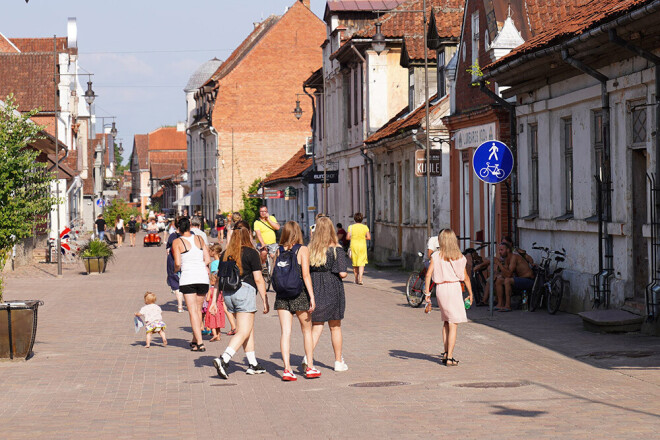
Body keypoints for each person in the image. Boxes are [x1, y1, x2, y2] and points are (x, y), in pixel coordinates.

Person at [212, 226, 269, 379]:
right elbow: (258, 278)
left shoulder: (225, 254)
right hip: (245, 292)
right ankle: (224, 359)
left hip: (229, 294)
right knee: (243, 331)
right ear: (247, 237)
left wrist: (213, 301)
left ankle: (253, 364)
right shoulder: (252, 253)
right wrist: (264, 299)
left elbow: (218, 280)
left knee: (247, 329)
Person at [274, 221, 319, 381]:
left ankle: (286, 369)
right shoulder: (303, 249)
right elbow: (306, 274)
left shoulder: (279, 250)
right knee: (306, 330)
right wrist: (312, 296)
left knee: (285, 332)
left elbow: (276, 273)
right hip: (299, 293)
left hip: (282, 295)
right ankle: (310, 367)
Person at [423, 229, 473, 367]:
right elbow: (465, 277)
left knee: (446, 321)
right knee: (453, 323)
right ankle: (450, 357)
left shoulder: (436, 256)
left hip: (441, 289)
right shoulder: (459, 257)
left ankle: (445, 353)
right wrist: (470, 293)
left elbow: (428, 275)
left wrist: (427, 294)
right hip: (454, 288)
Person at [306, 216, 349, 372]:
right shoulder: (336, 249)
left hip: (315, 287)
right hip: (333, 287)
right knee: (335, 327)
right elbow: (343, 273)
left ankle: (307, 357)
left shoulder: (310, 249)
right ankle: (338, 361)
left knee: (316, 326)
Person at [172, 217, 211, 352]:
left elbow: (177, 263)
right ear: (189, 226)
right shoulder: (200, 239)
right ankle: (195, 339)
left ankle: (200, 342)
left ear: (178, 228)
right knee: (199, 310)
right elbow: (207, 259)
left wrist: (175, 271)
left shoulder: (177, 242)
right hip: (202, 277)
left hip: (188, 278)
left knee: (192, 311)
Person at [494, 241, 535, 312]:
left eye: (501, 250)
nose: (500, 252)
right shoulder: (507, 259)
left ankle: (508, 306)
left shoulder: (514, 257)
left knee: (507, 280)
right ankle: (500, 304)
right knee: (499, 280)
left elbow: (509, 275)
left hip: (528, 280)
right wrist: (499, 275)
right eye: (499, 250)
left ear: (508, 250)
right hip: (519, 279)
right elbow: (505, 273)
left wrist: (499, 264)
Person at [205, 244, 234, 341]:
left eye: (210, 251)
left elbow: (214, 276)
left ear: (213, 252)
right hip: (224, 285)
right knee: (225, 308)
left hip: (217, 287)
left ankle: (213, 327)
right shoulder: (222, 261)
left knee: (220, 308)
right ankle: (233, 325)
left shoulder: (214, 263)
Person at [166, 217, 185, 313]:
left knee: (176, 284)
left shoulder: (172, 236)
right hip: (186, 262)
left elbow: (167, 250)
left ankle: (180, 306)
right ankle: (188, 305)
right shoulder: (191, 235)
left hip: (173, 262)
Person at [346, 212, 370, 285]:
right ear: (362, 219)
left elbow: (347, 237)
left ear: (354, 219)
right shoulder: (365, 227)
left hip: (354, 245)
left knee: (355, 263)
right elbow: (369, 237)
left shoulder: (351, 227)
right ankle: (360, 279)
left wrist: (353, 237)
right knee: (361, 263)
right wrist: (363, 238)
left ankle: (356, 279)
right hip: (362, 246)